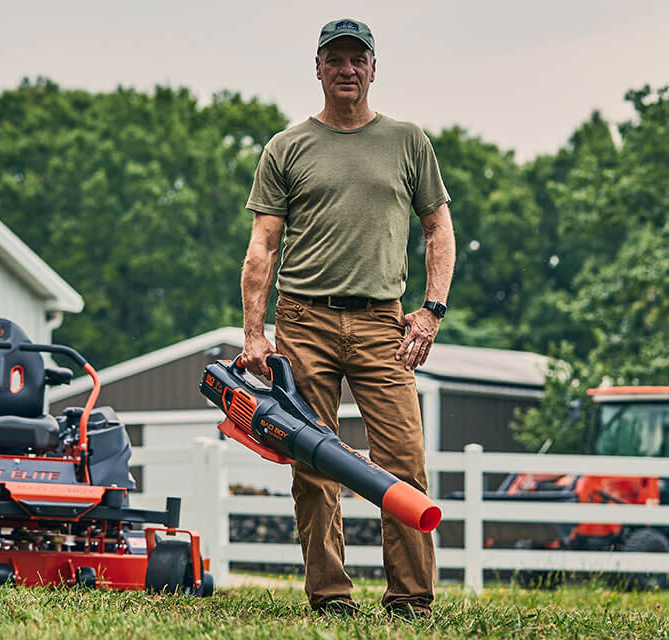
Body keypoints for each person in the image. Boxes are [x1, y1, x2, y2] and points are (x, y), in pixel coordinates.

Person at [238, 18, 456, 618]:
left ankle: (410, 600)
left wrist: (432, 311)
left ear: (373, 68)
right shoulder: (286, 147)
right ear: (318, 68)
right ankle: (330, 596)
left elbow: (438, 229)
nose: (347, 69)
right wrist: (254, 334)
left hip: (385, 323)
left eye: (358, 59)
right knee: (313, 461)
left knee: (404, 461)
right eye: (335, 59)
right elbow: (263, 245)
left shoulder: (408, 141)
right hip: (303, 321)